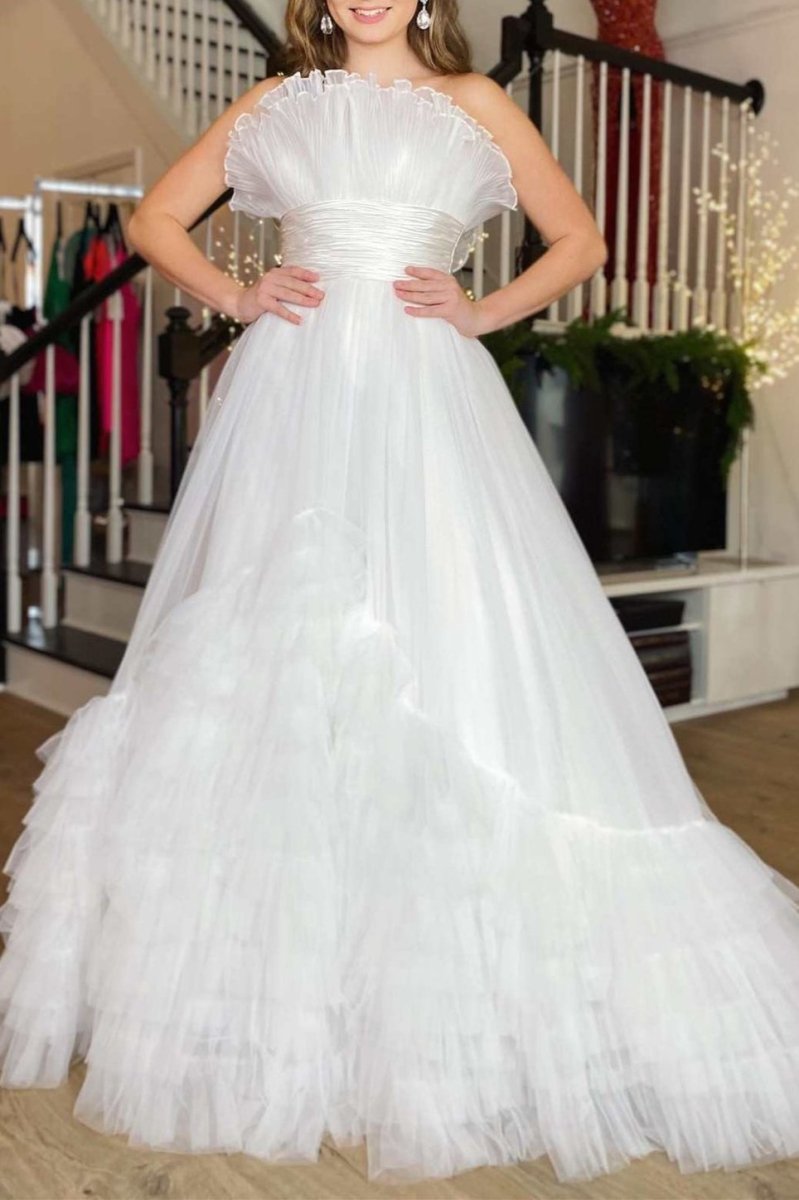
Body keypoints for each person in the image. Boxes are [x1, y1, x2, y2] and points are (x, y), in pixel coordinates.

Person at [2, 0, 799, 1188]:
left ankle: (451, 995)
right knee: (279, 652)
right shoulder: (280, 101)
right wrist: (238, 297)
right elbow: (158, 217)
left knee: (446, 639)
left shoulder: (473, 103)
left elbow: (578, 240)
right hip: (293, 396)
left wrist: (479, 312)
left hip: (429, 399)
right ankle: (272, 991)